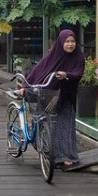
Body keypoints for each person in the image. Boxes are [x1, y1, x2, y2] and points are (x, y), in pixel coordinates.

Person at [23, 29, 85, 167]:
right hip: (49, 94)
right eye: (67, 41)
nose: (70, 44)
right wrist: (25, 86)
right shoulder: (52, 56)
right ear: (61, 42)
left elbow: (78, 73)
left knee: (65, 125)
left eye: (73, 41)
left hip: (67, 95)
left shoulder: (79, 57)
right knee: (48, 123)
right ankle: (50, 153)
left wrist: (67, 75)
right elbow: (37, 71)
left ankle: (66, 155)